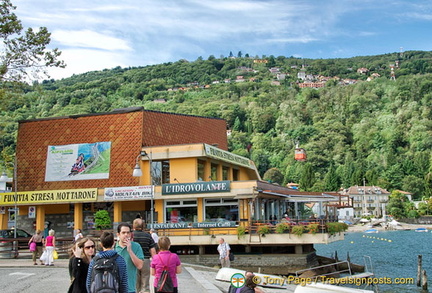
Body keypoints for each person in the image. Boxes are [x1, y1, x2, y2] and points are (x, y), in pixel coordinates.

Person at [115, 222, 144, 293]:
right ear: (118, 234)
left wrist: (130, 251)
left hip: (130, 288)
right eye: (123, 232)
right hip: (116, 288)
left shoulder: (136, 246)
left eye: (128, 233)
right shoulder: (114, 248)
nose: (126, 235)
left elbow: (140, 266)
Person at [133, 218, 156, 293]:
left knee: (135, 283)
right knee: (145, 284)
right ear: (143, 226)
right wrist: (155, 262)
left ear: (133, 226)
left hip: (134, 261)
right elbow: (152, 251)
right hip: (145, 260)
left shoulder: (131, 236)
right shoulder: (148, 236)